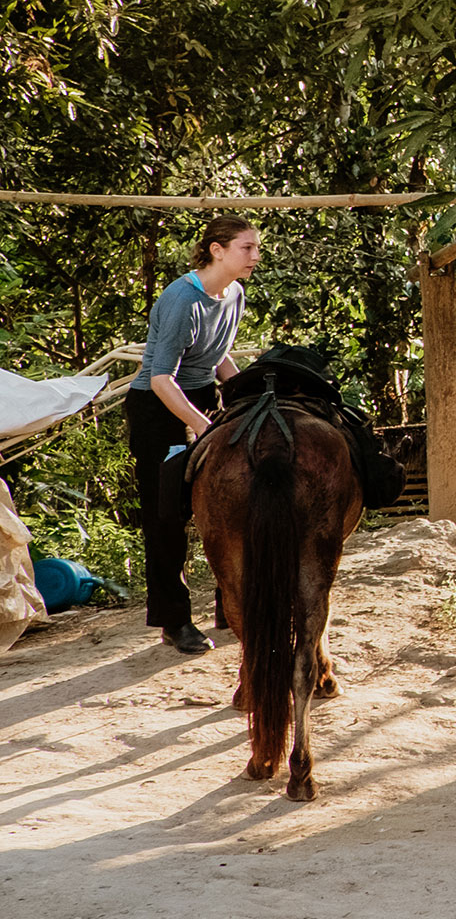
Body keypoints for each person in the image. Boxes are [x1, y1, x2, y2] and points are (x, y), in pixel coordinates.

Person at [129, 215, 259, 655]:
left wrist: (244, 399)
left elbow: (219, 360)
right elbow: (163, 378)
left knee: (230, 499)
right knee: (167, 517)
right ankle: (174, 621)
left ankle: (231, 604)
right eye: (247, 248)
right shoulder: (182, 299)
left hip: (202, 396)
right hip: (158, 407)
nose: (255, 256)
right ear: (217, 250)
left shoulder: (235, 294)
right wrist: (202, 427)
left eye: (256, 247)